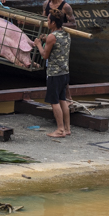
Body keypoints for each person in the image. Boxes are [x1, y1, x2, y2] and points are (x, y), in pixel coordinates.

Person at [34, 9, 71, 138]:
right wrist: (46, 40)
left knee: (54, 101)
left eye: (49, 20)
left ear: (54, 23)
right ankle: (67, 128)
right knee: (63, 100)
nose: (47, 22)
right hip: (64, 72)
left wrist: (39, 44)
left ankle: (60, 130)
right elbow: (55, 46)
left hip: (54, 74)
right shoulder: (66, 34)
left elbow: (45, 55)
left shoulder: (52, 37)